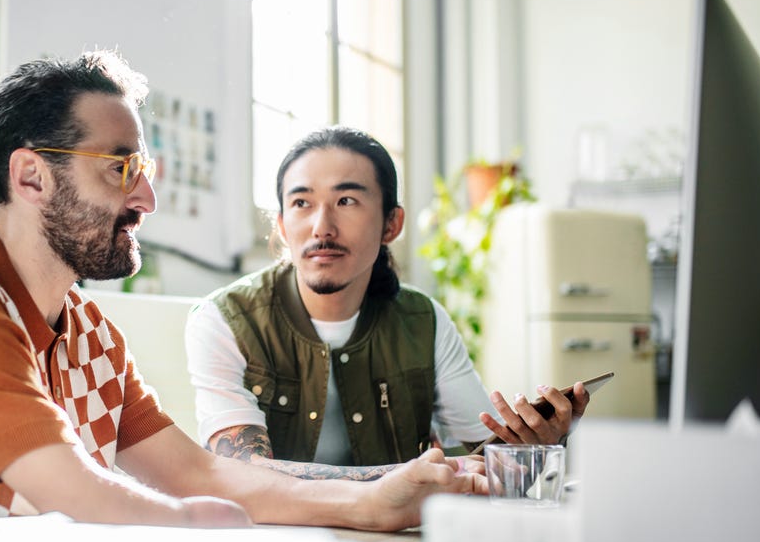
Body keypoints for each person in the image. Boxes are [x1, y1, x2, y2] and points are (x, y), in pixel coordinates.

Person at [0, 51, 486, 532]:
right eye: (121, 168)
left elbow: (198, 472)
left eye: (144, 171)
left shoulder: (90, 330)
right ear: (31, 176)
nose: (147, 199)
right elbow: (79, 496)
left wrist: (373, 502)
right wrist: (202, 532)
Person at [185, 126, 590, 480]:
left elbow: (488, 455)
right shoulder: (224, 320)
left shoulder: (423, 321)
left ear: (391, 224)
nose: (321, 226)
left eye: (346, 201)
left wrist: (536, 447)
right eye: (301, 203)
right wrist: (406, 479)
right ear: (281, 226)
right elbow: (242, 474)